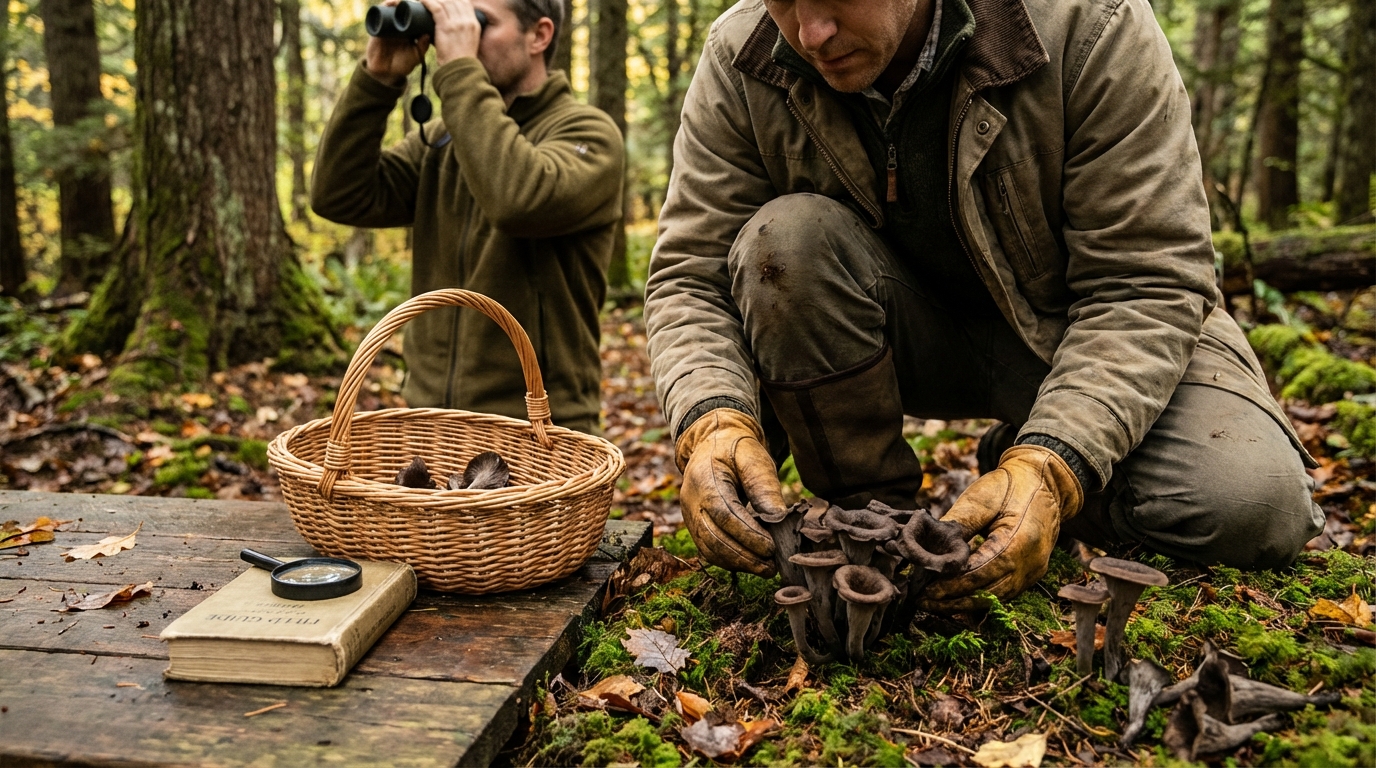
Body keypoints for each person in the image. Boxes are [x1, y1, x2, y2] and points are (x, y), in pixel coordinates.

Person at [645, 0, 1324, 611]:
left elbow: (1147, 282)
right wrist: (710, 419)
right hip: (894, 335)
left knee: (1250, 502)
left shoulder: (1090, 27)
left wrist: (1055, 461)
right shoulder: (745, 56)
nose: (810, 31)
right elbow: (689, 276)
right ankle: (871, 530)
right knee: (782, 242)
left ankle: (1025, 464)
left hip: (1080, 330)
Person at [312, 0, 625, 435]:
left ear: (539, 35)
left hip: (540, 431)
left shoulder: (588, 134)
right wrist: (378, 78)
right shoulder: (443, 140)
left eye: (480, 22)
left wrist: (458, 69)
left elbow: (518, 199)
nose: (462, 37)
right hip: (430, 424)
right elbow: (339, 195)